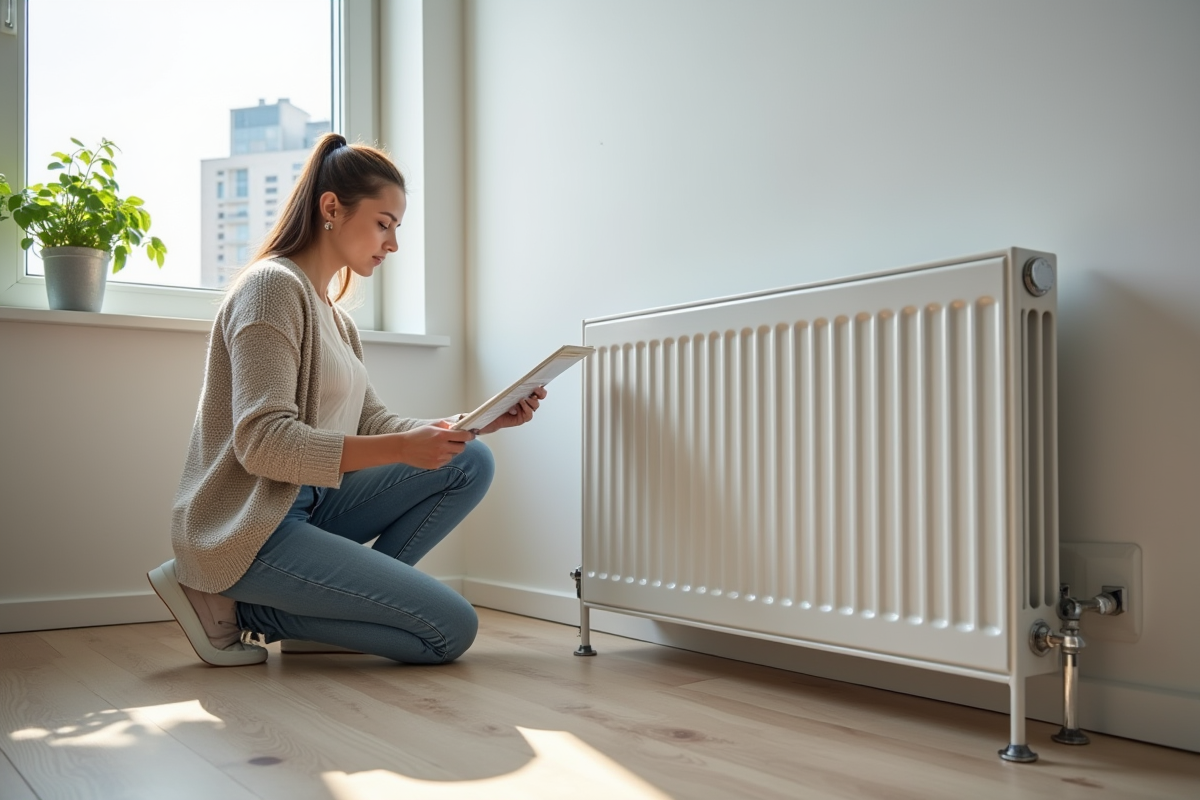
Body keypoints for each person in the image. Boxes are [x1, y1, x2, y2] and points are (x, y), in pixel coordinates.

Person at [148, 132, 546, 667]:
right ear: (331, 208)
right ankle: (240, 608)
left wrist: (473, 424)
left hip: (309, 507)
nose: (393, 244)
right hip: (251, 526)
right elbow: (262, 443)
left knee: (469, 460)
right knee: (449, 630)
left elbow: (376, 420)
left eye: (396, 227)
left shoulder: (337, 319)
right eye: (384, 223)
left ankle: (334, 615)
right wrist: (404, 447)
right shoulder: (269, 288)